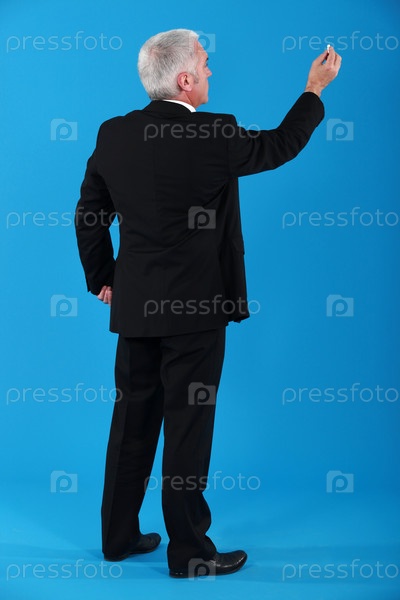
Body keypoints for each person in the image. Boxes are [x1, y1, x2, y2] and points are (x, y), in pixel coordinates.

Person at [75, 28, 341, 578]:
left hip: (136, 307)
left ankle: (118, 538)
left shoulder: (113, 134)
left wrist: (103, 278)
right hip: (195, 312)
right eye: (204, 61)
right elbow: (279, 145)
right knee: (188, 427)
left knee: (131, 422)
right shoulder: (214, 133)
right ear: (184, 79)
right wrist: (313, 90)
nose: (211, 70)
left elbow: (89, 214)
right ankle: (191, 553)